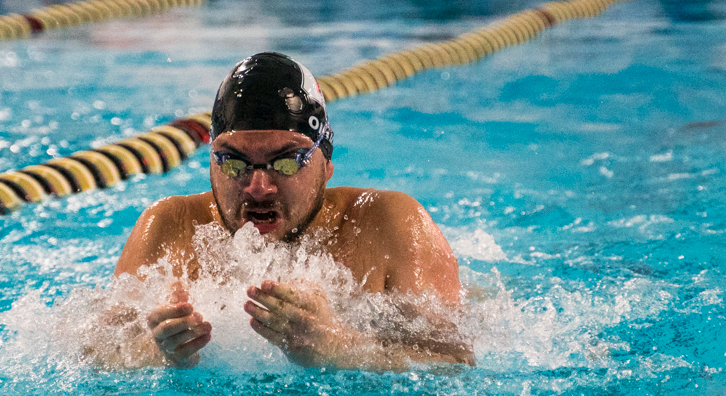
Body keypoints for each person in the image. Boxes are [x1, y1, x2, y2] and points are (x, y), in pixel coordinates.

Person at [109, 52, 471, 371]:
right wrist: (158, 353)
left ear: (326, 165)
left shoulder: (390, 225)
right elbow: (94, 351)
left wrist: (341, 349)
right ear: (211, 166)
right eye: (234, 162)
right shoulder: (169, 227)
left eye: (286, 162)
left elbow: (456, 362)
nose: (258, 187)